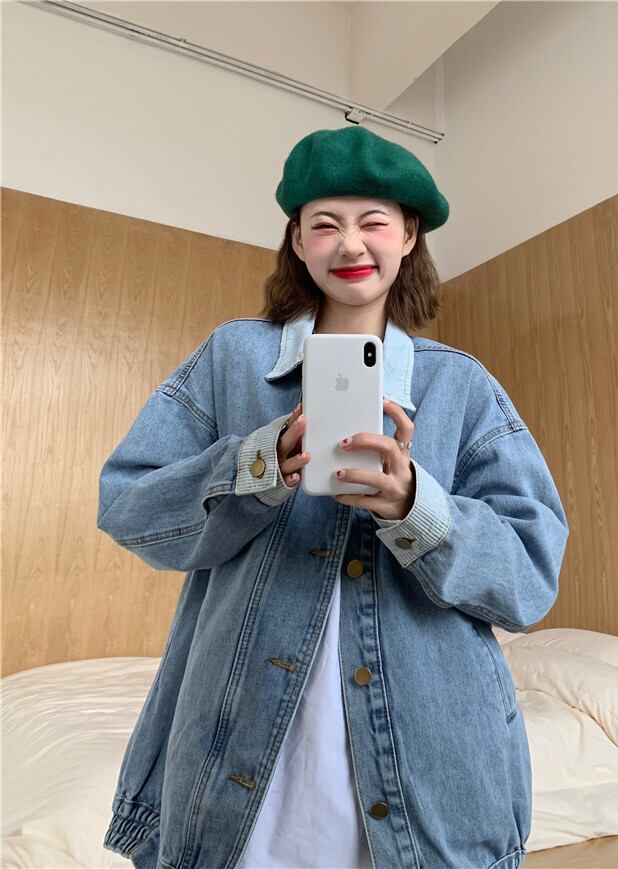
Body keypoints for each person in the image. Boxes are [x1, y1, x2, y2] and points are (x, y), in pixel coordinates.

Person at [99, 125, 569, 869]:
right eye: (325, 223)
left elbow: (530, 576)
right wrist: (257, 464)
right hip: (237, 738)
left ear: (408, 236)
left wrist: (417, 507)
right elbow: (127, 504)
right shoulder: (231, 357)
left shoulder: (462, 385)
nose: (350, 244)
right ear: (298, 240)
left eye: (373, 221)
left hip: (431, 765)